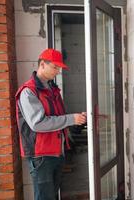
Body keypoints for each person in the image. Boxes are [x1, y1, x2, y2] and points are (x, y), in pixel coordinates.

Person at [15, 48, 87, 200]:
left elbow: (58, 118)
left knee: (51, 196)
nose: (58, 71)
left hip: (56, 152)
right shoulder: (28, 92)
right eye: (55, 67)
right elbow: (38, 123)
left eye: (59, 68)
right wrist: (71, 119)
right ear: (42, 65)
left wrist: (77, 119)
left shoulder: (52, 89)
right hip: (41, 156)